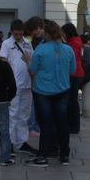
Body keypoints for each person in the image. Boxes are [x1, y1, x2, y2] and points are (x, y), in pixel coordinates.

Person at [25, 20, 75, 167]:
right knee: (62, 123)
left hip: (43, 91)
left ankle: (42, 156)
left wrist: (28, 61)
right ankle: (64, 154)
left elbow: (32, 71)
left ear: (46, 34)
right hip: (62, 90)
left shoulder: (40, 50)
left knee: (45, 124)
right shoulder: (68, 50)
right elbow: (72, 71)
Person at [0, 19, 38, 155]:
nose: (18, 36)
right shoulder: (6, 44)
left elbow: (32, 61)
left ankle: (21, 142)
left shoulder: (27, 44)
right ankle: (9, 142)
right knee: (12, 115)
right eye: (16, 34)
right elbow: (3, 63)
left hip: (26, 84)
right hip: (13, 86)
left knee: (24, 115)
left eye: (20, 34)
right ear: (11, 32)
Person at [61, 23, 84, 134]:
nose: (63, 35)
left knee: (72, 100)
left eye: (64, 33)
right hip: (76, 73)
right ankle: (73, 125)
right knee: (72, 100)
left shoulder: (74, 42)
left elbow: (70, 57)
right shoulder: (75, 41)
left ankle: (74, 126)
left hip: (74, 74)